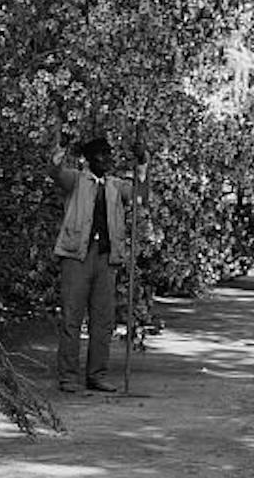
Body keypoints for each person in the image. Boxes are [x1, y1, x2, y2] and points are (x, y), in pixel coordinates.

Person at [49, 135, 147, 393]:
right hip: (76, 256)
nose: (107, 160)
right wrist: (61, 148)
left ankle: (97, 374)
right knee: (71, 316)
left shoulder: (116, 185)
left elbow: (139, 197)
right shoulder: (77, 180)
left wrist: (142, 165)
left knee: (103, 320)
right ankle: (68, 376)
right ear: (89, 159)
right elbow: (56, 172)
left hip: (106, 258)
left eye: (109, 155)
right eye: (101, 155)